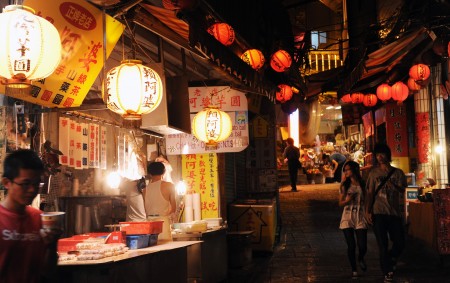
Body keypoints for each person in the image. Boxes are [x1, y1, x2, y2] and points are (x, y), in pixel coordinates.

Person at [0, 149, 62, 283]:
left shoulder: (40, 218)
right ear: (6, 183)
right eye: (25, 184)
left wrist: (52, 245)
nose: (32, 190)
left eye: (36, 184)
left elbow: (48, 272)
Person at [365, 143, 407, 283]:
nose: (380, 157)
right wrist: (367, 211)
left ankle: (391, 258)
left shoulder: (398, 173)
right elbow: (370, 193)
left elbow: (402, 191)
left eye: (382, 154)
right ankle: (387, 272)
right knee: (382, 244)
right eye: (377, 155)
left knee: (400, 242)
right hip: (378, 213)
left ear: (388, 155)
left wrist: (393, 185)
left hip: (394, 213)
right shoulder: (373, 173)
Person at [338, 160, 367, 279]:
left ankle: (360, 257)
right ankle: (354, 269)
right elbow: (340, 203)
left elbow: (368, 199)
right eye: (345, 170)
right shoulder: (344, 185)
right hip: (347, 217)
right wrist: (347, 200)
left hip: (360, 216)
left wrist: (369, 213)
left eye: (348, 169)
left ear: (354, 170)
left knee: (362, 245)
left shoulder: (363, 183)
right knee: (351, 245)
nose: (346, 172)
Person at [143, 161, 177, 241]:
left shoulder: (145, 190)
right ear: (164, 172)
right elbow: (174, 208)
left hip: (150, 226)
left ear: (150, 173)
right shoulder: (169, 186)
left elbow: (144, 210)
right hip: (163, 225)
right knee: (166, 251)